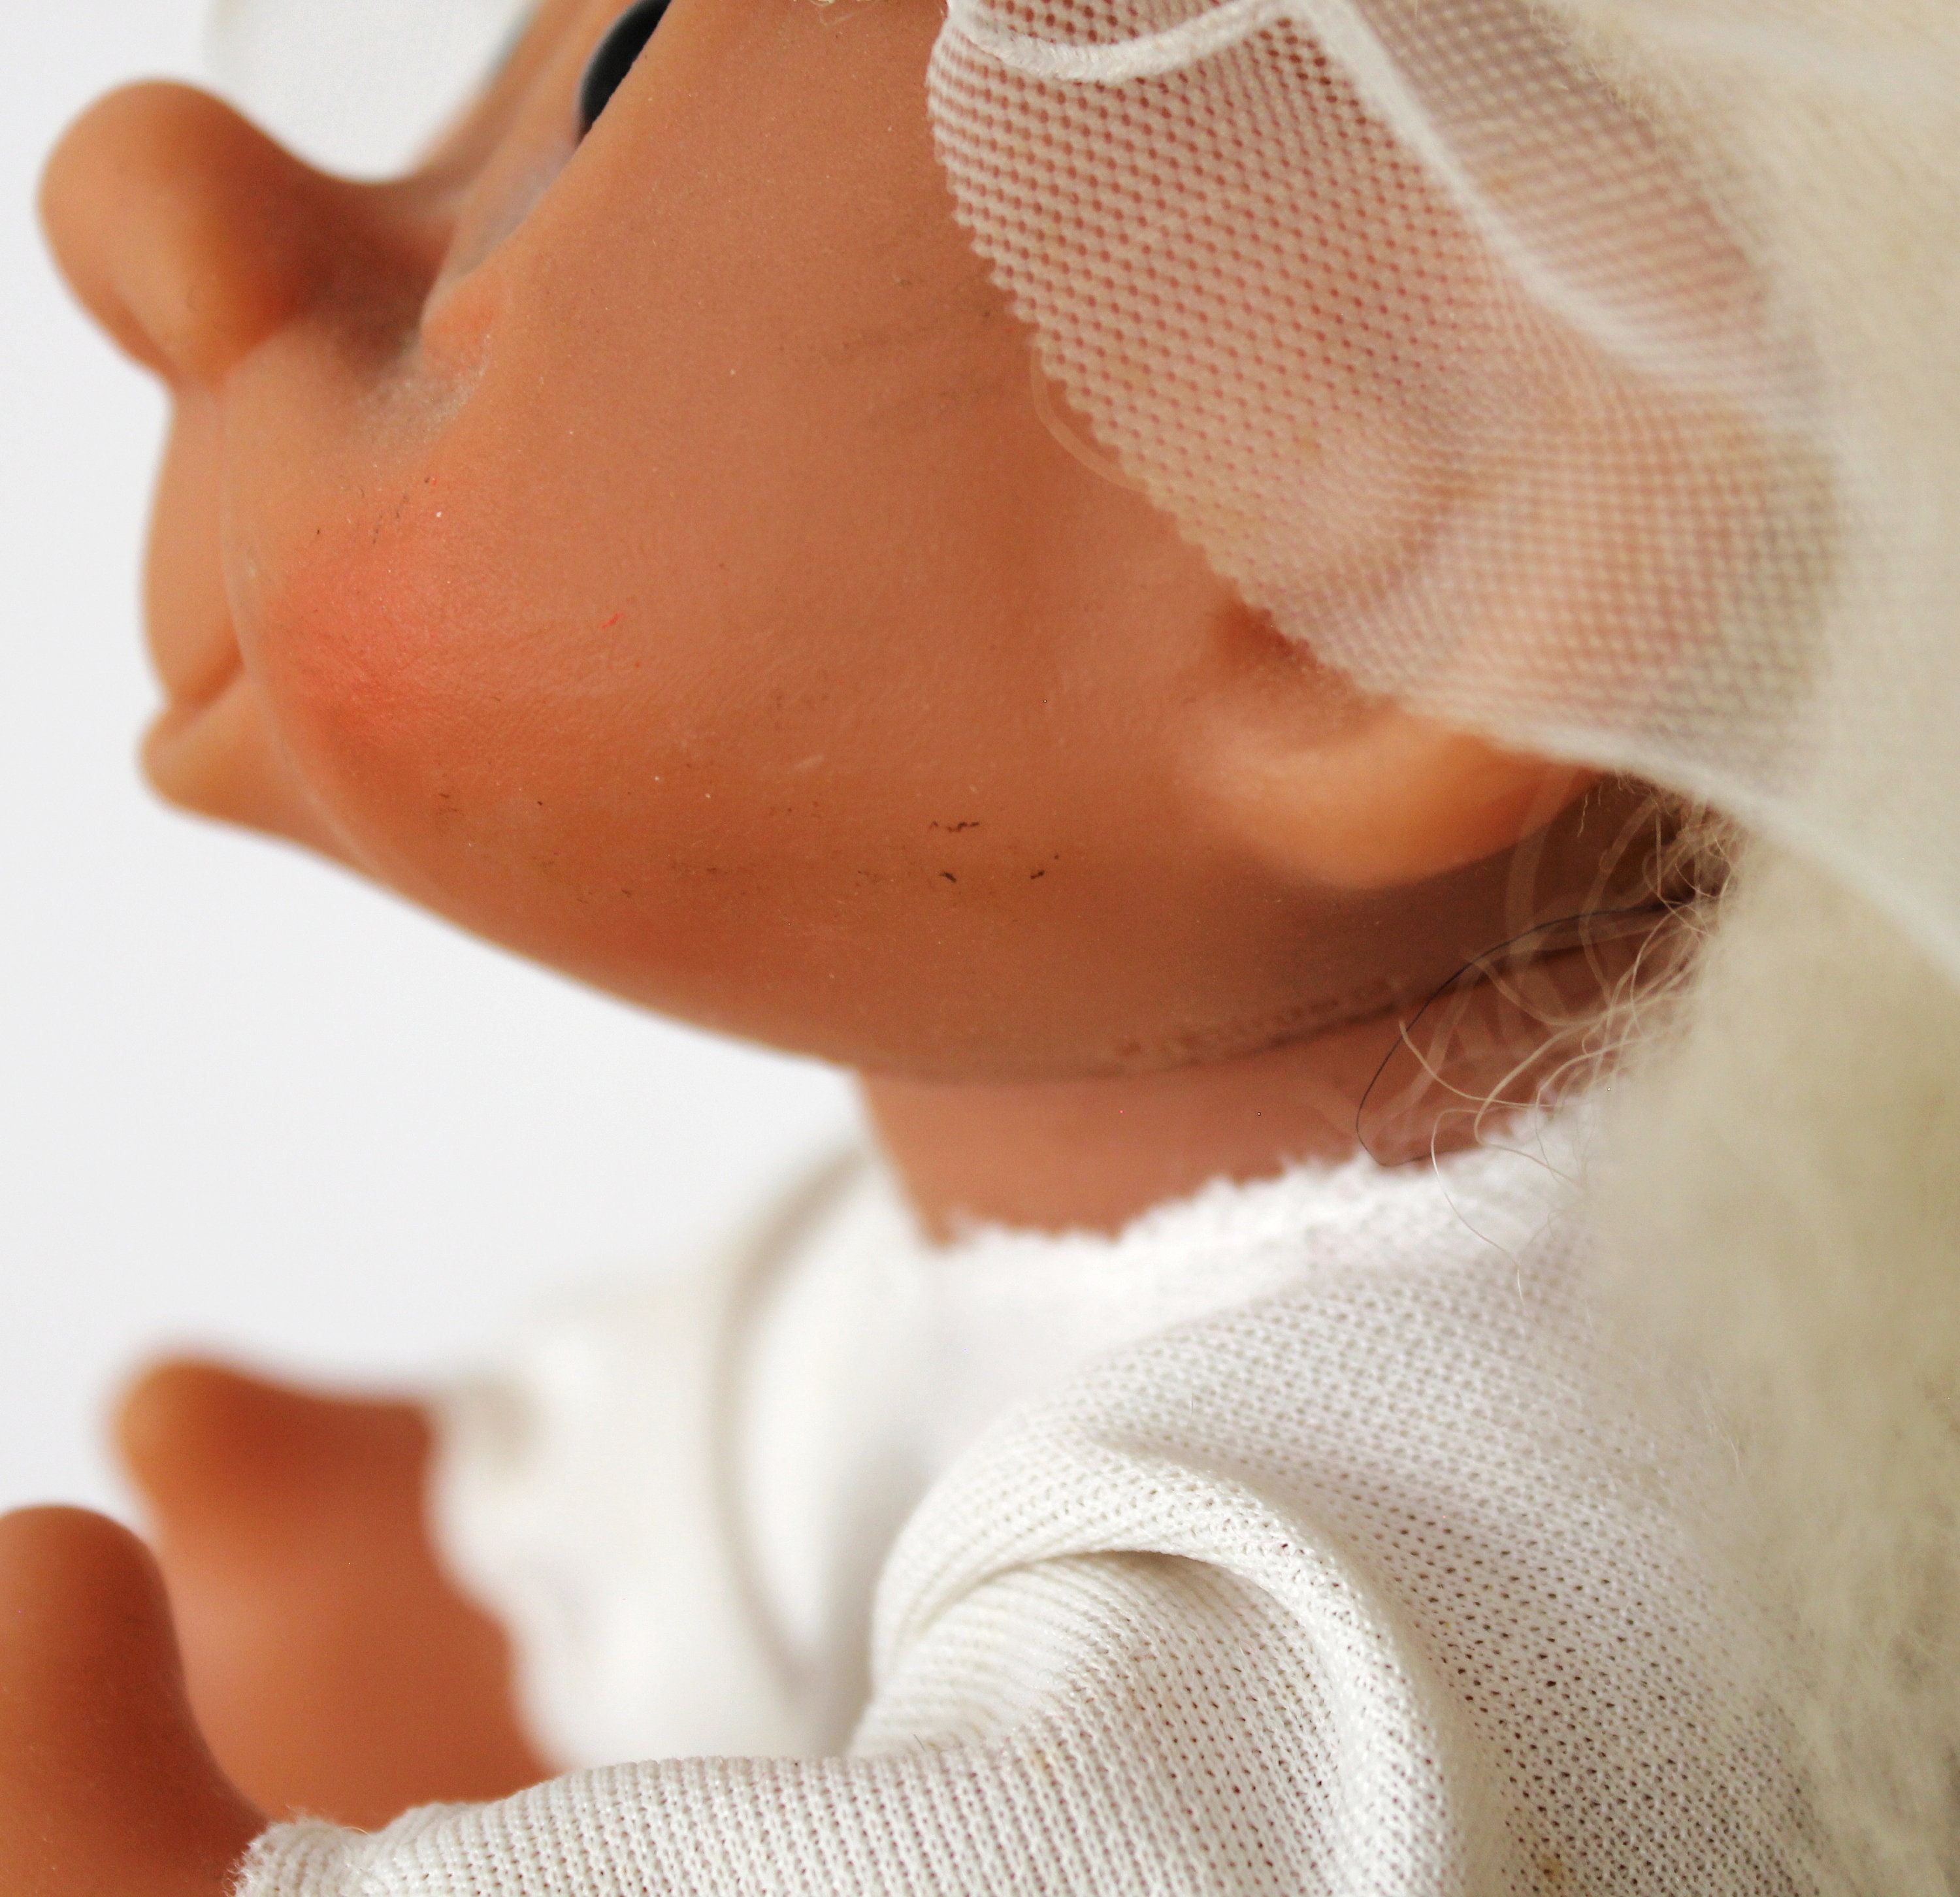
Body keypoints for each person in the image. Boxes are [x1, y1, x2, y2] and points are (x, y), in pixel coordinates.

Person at [10, 0, 1960, 1890]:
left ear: (1398, 511)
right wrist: (483, 1579)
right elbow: (813, 1405)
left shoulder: (1400, 1534)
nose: (132, 171)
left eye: (609, 73)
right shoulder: (1147, 1243)